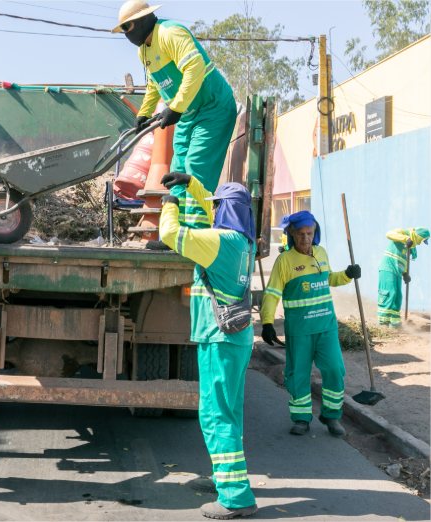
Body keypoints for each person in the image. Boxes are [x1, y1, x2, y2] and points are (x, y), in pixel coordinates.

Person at [159, 172, 257, 520]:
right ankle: (225, 478)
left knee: (216, 415)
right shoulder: (244, 241)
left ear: (225, 211)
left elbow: (169, 234)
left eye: (217, 207)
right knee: (230, 413)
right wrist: (191, 184)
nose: (212, 211)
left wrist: (169, 203)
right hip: (235, 339)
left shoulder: (218, 242)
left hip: (218, 339)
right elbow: (216, 209)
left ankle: (235, 497)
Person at [113, 0, 237, 230]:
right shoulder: (144, 51)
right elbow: (155, 83)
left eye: (127, 27)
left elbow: (195, 67)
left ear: (142, 20)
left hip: (213, 108)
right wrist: (144, 113)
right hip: (188, 114)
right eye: (123, 29)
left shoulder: (170, 33)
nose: (126, 34)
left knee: (196, 167)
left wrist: (176, 107)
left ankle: (196, 232)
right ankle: (175, 233)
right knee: (176, 171)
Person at [260, 211, 360, 438]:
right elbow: (272, 293)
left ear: (315, 233)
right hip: (300, 331)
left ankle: (331, 416)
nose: (305, 238)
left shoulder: (321, 253)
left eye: (309, 233)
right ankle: (301, 418)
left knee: (335, 369)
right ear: (292, 235)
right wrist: (267, 322)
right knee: (298, 374)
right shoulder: (284, 261)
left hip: (326, 327)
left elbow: (329, 279)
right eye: (301, 234)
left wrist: (347, 274)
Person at [377, 227, 429, 327]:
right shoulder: (403, 233)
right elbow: (388, 234)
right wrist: (406, 238)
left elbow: (403, 260)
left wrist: (405, 273)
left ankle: (394, 323)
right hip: (388, 268)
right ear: (419, 236)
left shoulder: (410, 246)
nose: (420, 243)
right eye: (422, 240)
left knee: (398, 295)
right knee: (390, 293)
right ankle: (383, 322)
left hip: (397, 272)